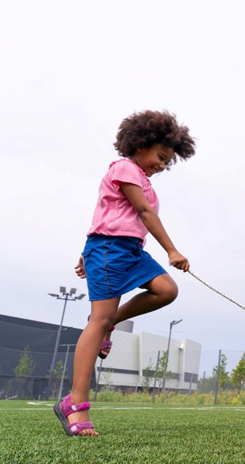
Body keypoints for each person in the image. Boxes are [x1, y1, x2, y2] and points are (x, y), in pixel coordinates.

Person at [54, 110, 195, 436]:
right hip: (109, 251)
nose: (162, 165)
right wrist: (172, 250)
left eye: (167, 162)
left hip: (129, 251)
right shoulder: (124, 168)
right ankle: (75, 404)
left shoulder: (143, 180)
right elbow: (142, 212)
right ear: (141, 144)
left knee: (166, 290)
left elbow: (110, 212)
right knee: (97, 320)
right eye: (160, 157)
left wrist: (86, 249)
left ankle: (112, 323)